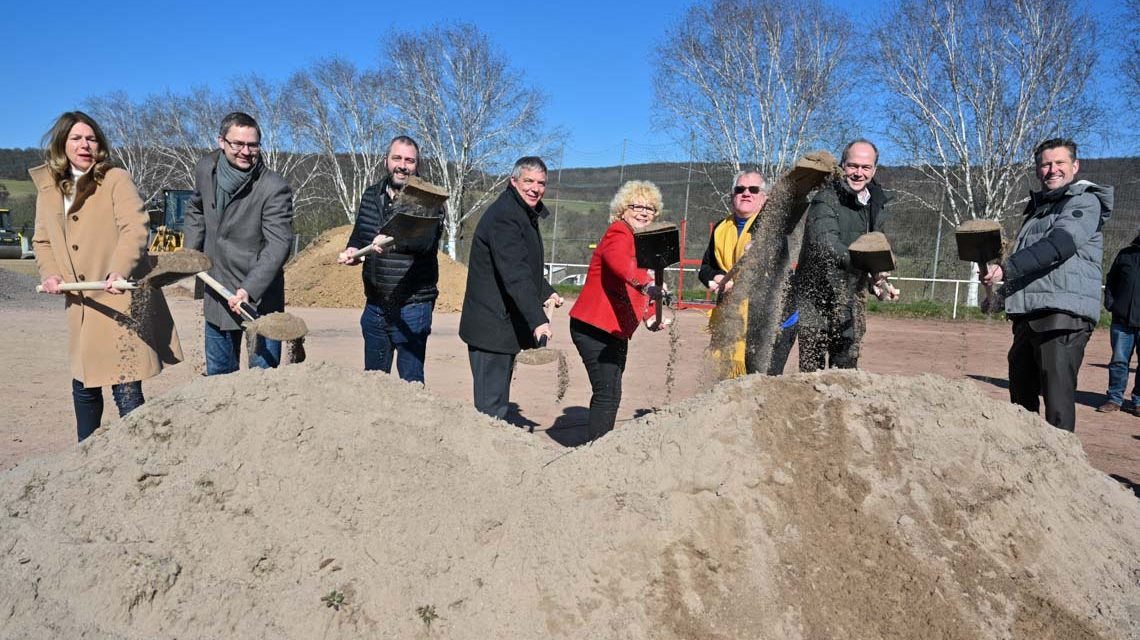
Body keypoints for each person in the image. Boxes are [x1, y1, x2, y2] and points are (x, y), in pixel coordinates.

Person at [30, 111, 182, 441]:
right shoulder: (48, 190)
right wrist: (51, 273)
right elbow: (42, 240)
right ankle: (86, 455)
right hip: (82, 302)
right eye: (76, 138)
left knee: (125, 381)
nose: (85, 144)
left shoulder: (115, 179)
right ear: (61, 144)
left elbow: (135, 226)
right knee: (84, 382)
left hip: (118, 297)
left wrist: (119, 269)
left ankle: (140, 455)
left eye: (91, 138)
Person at [982, 138, 1113, 431]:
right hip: (1030, 317)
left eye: (1059, 163)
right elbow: (1033, 269)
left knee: (1057, 402)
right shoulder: (1038, 211)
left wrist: (1006, 268)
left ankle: (1062, 468)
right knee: (1020, 398)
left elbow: (1059, 246)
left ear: (1075, 166)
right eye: (1045, 164)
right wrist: (1000, 296)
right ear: (1038, 170)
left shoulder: (1084, 201)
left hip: (1062, 317)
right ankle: (1026, 463)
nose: (1052, 170)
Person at [184, 111, 294, 375]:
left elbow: (278, 244)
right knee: (219, 378)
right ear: (221, 141)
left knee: (262, 380)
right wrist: (190, 253)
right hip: (217, 287)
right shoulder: (205, 169)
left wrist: (249, 289)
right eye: (238, 144)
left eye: (253, 145)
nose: (246, 151)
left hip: (259, 296)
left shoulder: (273, 187)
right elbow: (196, 208)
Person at [459, 156, 563, 420]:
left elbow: (523, 266)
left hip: (501, 327)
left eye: (541, 183)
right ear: (513, 181)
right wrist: (538, 321)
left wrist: (546, 290)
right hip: (491, 327)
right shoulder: (505, 217)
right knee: (489, 410)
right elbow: (514, 274)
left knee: (496, 405)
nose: (535, 188)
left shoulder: (520, 213)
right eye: (529, 180)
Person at [337, 136, 443, 383]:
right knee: (373, 385)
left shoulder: (428, 199)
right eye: (397, 158)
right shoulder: (371, 194)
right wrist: (354, 251)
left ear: (417, 165)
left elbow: (425, 243)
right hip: (375, 304)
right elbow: (360, 234)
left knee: (411, 385)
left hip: (413, 306)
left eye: (409, 160)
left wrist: (393, 238)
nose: (402, 165)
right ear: (386, 160)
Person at [569, 181, 669, 441]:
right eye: (636, 206)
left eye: (650, 208)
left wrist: (649, 317)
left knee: (610, 392)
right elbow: (619, 264)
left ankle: (597, 448)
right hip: (595, 327)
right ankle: (596, 453)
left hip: (614, 331)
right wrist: (647, 284)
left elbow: (636, 286)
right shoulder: (619, 232)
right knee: (607, 392)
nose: (644, 212)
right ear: (623, 209)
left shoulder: (641, 242)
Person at [792, 138, 893, 372]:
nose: (859, 173)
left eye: (865, 167)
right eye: (853, 166)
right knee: (811, 379)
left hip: (850, 303)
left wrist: (877, 279)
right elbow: (826, 244)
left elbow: (873, 247)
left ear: (874, 170)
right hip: (815, 301)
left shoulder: (876, 204)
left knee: (846, 375)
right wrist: (867, 267)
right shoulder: (825, 199)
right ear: (842, 165)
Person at [698, 170, 768, 378]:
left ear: (763, 198)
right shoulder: (721, 227)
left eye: (753, 189)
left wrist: (762, 250)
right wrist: (717, 277)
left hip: (762, 319)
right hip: (728, 316)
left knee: (758, 382)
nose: (746, 193)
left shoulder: (770, 225)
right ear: (732, 196)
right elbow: (705, 268)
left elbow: (777, 264)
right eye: (740, 189)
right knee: (727, 382)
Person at [1101, 228, 1140, 414]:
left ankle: (1139, 401)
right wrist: (1111, 303)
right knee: (1118, 361)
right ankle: (1114, 399)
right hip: (1122, 320)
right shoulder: (1125, 254)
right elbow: (1111, 280)